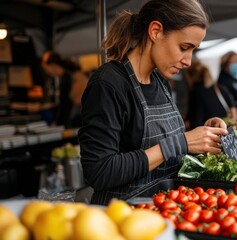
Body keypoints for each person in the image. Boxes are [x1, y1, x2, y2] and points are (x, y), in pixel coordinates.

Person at [78, 0, 228, 205]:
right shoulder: (108, 84)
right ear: (156, 31)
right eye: (184, 47)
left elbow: (172, 146)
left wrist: (202, 135)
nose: (188, 61)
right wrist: (180, 143)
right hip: (122, 217)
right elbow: (100, 171)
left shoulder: (160, 82)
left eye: (193, 50)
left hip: (163, 209)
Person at [184, 60, 237, 129]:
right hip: (225, 131)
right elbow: (234, 113)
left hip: (209, 134)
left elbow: (196, 121)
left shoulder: (196, 91)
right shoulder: (220, 88)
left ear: (190, 76)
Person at [41, 51, 88, 128]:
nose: (47, 72)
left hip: (81, 112)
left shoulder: (66, 77)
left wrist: (58, 124)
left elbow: (65, 103)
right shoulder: (70, 73)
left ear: (53, 65)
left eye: (46, 69)